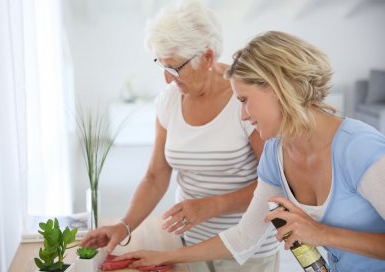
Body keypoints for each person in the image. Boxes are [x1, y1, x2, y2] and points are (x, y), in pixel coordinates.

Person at [114, 31, 385, 271]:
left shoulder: (358, 149)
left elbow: (320, 235)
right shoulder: (276, 154)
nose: (243, 115)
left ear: (279, 89)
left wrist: (322, 234)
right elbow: (245, 236)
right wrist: (164, 257)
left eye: (244, 100)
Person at [80, 1, 280, 271]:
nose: (167, 79)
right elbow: (155, 175)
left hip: (247, 251)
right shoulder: (169, 101)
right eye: (161, 66)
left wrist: (211, 206)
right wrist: (124, 225)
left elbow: (274, 183)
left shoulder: (244, 99)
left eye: (174, 68)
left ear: (207, 57)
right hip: (190, 246)